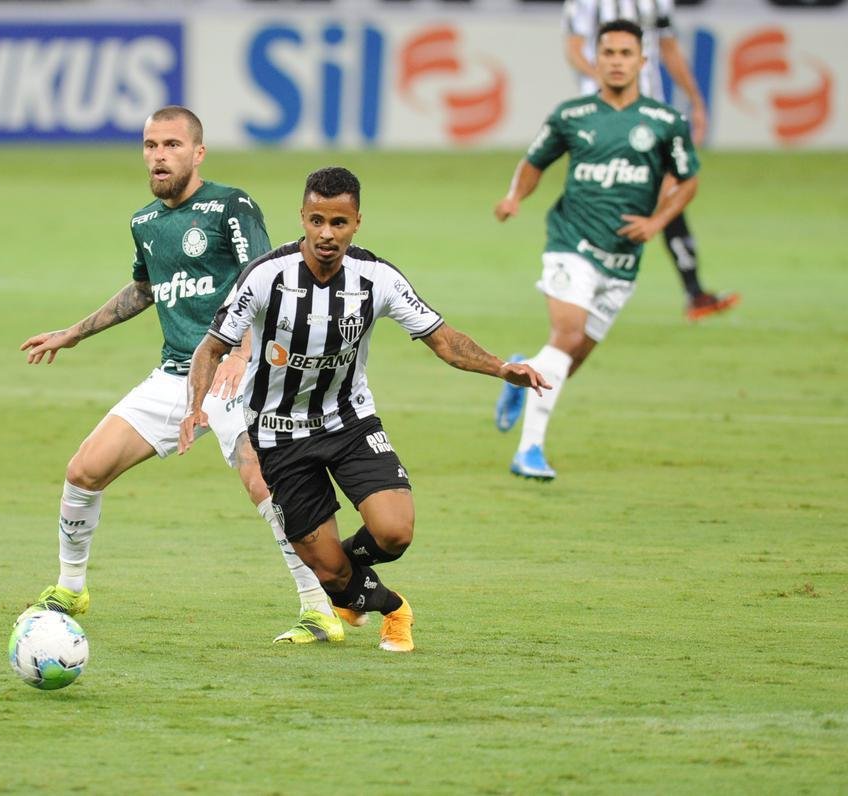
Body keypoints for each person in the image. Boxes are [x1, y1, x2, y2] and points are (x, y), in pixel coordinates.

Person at [179, 167, 549, 652]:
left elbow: (443, 339)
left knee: (395, 533)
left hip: (349, 421)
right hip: (278, 432)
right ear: (303, 218)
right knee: (329, 571)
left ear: (356, 222)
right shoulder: (267, 276)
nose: (326, 234)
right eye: (316, 221)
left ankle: (341, 576)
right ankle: (392, 607)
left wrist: (501, 369)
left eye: (338, 222)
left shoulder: (377, 278)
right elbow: (210, 348)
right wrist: (195, 408)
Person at [18, 105, 342, 644]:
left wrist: (241, 352)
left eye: (171, 145)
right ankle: (71, 587)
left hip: (241, 375)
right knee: (84, 471)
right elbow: (145, 290)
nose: (159, 155)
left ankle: (319, 609)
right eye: (150, 146)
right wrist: (75, 332)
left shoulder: (229, 207)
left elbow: (267, 282)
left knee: (264, 484)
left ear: (198, 152)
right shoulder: (145, 222)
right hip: (177, 375)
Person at [494, 20, 700, 481]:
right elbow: (535, 162)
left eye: (626, 53)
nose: (616, 61)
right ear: (596, 58)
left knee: (568, 360)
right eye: (608, 52)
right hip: (571, 242)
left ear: (642, 61)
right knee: (565, 338)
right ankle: (529, 452)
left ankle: (521, 375)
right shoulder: (572, 114)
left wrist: (657, 222)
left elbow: (688, 180)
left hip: (623, 260)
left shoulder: (665, 123)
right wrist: (514, 198)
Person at [564, 0, 738, 322]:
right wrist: (606, 81)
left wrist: (696, 101)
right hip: (605, 114)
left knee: (667, 192)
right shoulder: (586, 3)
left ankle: (692, 291)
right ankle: (582, 289)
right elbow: (574, 49)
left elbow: (669, 49)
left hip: (649, 113)